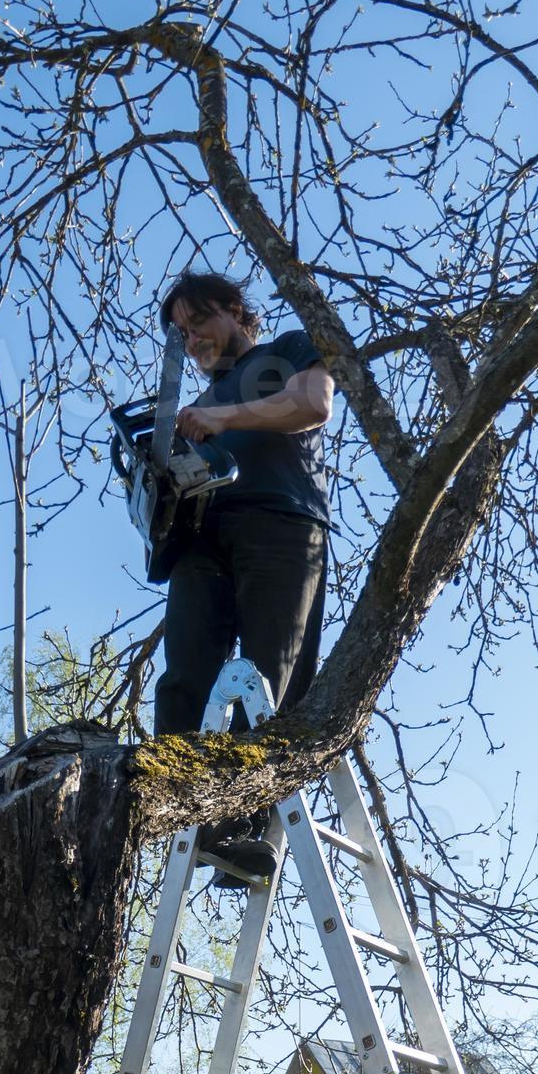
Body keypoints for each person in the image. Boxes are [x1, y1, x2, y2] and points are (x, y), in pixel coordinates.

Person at [152, 270, 334, 885]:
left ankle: (244, 825)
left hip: (282, 524)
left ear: (233, 309)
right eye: (181, 331)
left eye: (198, 320)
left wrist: (227, 418)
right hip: (203, 540)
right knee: (185, 677)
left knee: (271, 678)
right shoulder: (194, 407)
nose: (193, 338)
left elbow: (315, 404)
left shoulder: (285, 350)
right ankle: (188, 811)